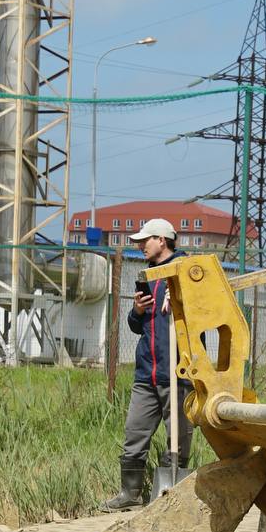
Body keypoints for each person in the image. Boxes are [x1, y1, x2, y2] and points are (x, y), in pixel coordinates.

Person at [99, 218, 186, 510]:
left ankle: (173, 498)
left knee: (178, 440)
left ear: (162, 240)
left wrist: (182, 301)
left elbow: (204, 316)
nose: (140, 246)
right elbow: (136, 326)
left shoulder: (186, 270)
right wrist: (137, 310)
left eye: (145, 240)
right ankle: (130, 494)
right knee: (134, 434)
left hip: (178, 372)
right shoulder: (147, 275)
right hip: (146, 373)